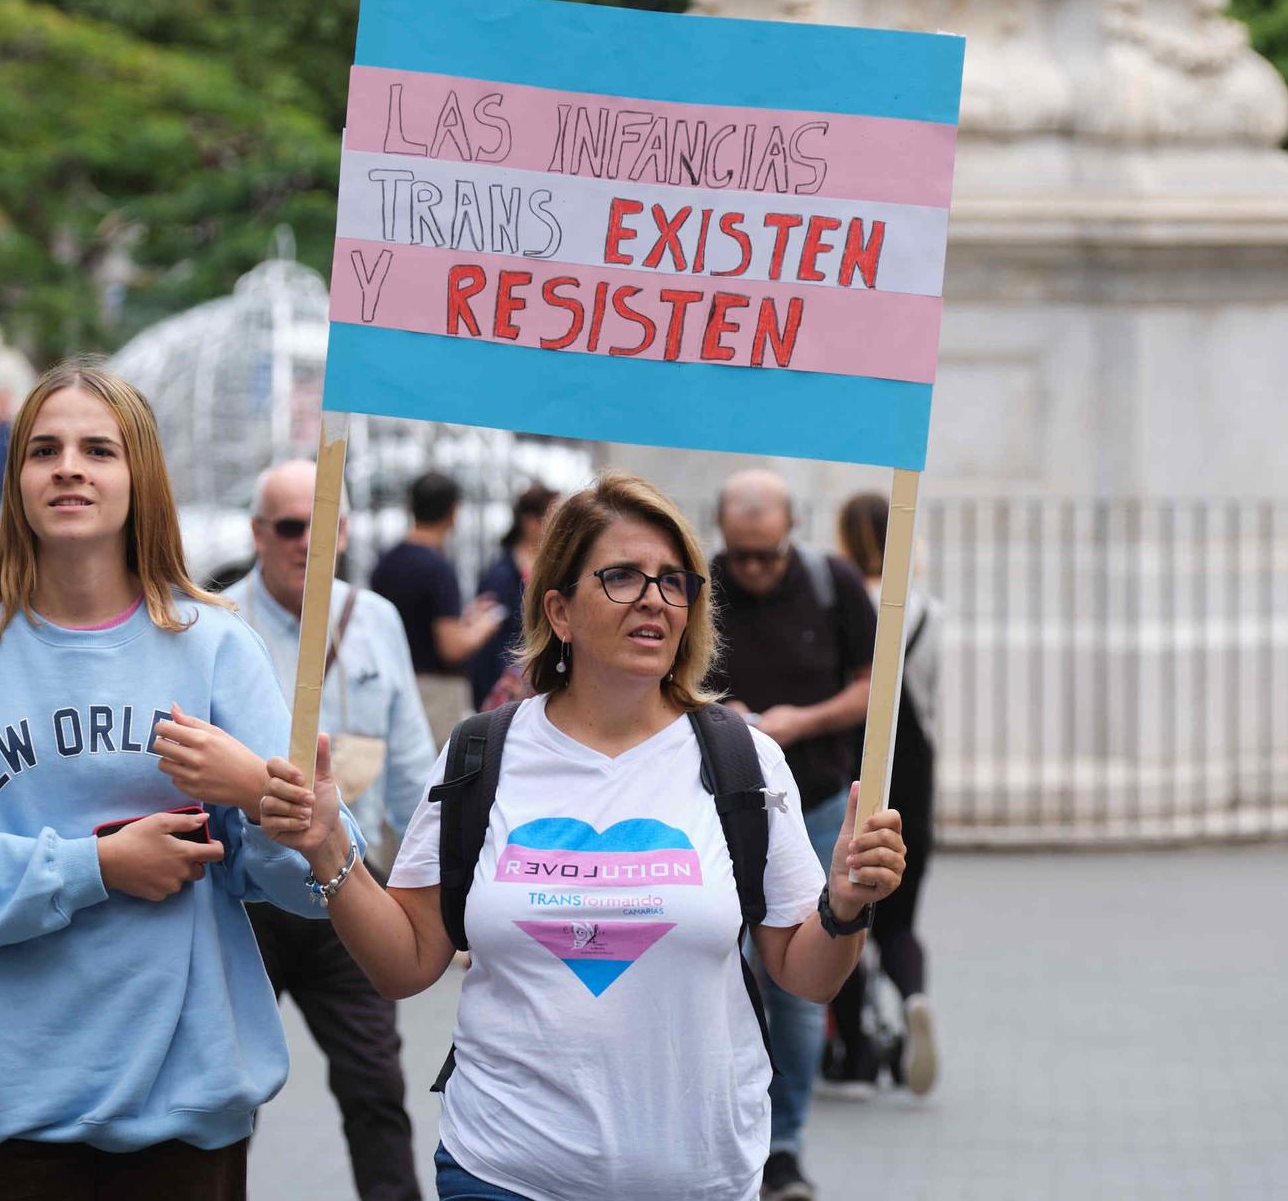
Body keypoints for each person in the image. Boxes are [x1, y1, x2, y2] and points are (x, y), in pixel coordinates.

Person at [259, 472, 908, 1201]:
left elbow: (806, 974)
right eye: (623, 576)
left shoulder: (743, 759)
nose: (655, 599)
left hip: (699, 1177)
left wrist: (846, 903)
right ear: (559, 610)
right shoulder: (482, 754)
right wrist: (329, 851)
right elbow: (405, 963)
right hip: (502, 1172)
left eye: (672, 580)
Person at [0, 360, 363, 1201]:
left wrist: (261, 794)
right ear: (15, 476)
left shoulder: (214, 646)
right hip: (9, 1120)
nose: (69, 467)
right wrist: (95, 867)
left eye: (98, 449)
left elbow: (301, 881)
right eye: (44, 449)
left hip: (182, 1118)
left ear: (140, 479)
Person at [222, 459, 434, 1201]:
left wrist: (433, 891)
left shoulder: (376, 620)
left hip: (348, 885)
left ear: (345, 533)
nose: (308, 542)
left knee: (376, 1085)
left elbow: (411, 762)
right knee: (224, 1095)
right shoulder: (215, 622)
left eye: (324, 525)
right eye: (289, 525)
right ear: (257, 533)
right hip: (246, 895)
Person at [707, 469, 876, 1198]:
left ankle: (784, 1142)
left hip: (813, 798)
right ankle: (727, 1125)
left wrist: (795, 722)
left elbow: (874, 686)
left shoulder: (830, 582)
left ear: (792, 534)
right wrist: (721, 711)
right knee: (721, 962)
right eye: (740, 555)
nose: (752, 569)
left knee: (799, 982)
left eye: (766, 554)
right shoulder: (696, 584)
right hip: (718, 806)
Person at [829, 492, 942, 1101]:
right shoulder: (926, 608)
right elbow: (929, 693)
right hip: (918, 764)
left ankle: (857, 1054)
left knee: (847, 910)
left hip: (863, 762)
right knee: (901, 918)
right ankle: (915, 997)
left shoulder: (845, 601)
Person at [370, 472, 506, 746]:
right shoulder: (438, 567)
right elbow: (451, 647)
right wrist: (484, 626)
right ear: (453, 511)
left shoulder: (386, 562)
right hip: (435, 696)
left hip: (389, 687)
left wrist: (464, 619)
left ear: (410, 505)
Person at [467, 482, 558, 711]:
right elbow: (489, 646)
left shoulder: (555, 568)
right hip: (508, 689)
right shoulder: (501, 576)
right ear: (530, 521)